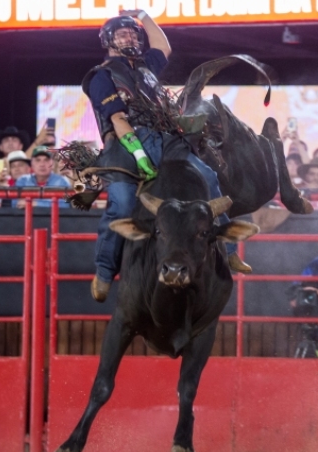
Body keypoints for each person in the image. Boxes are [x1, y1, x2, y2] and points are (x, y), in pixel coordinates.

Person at [83, 10, 249, 302]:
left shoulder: (145, 66)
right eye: (123, 34)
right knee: (121, 204)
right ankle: (104, 272)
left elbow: (163, 46)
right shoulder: (101, 76)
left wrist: (144, 16)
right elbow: (119, 120)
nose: (131, 37)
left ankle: (230, 252)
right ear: (108, 41)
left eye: (134, 34)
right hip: (124, 143)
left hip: (164, 137)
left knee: (208, 176)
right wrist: (139, 154)